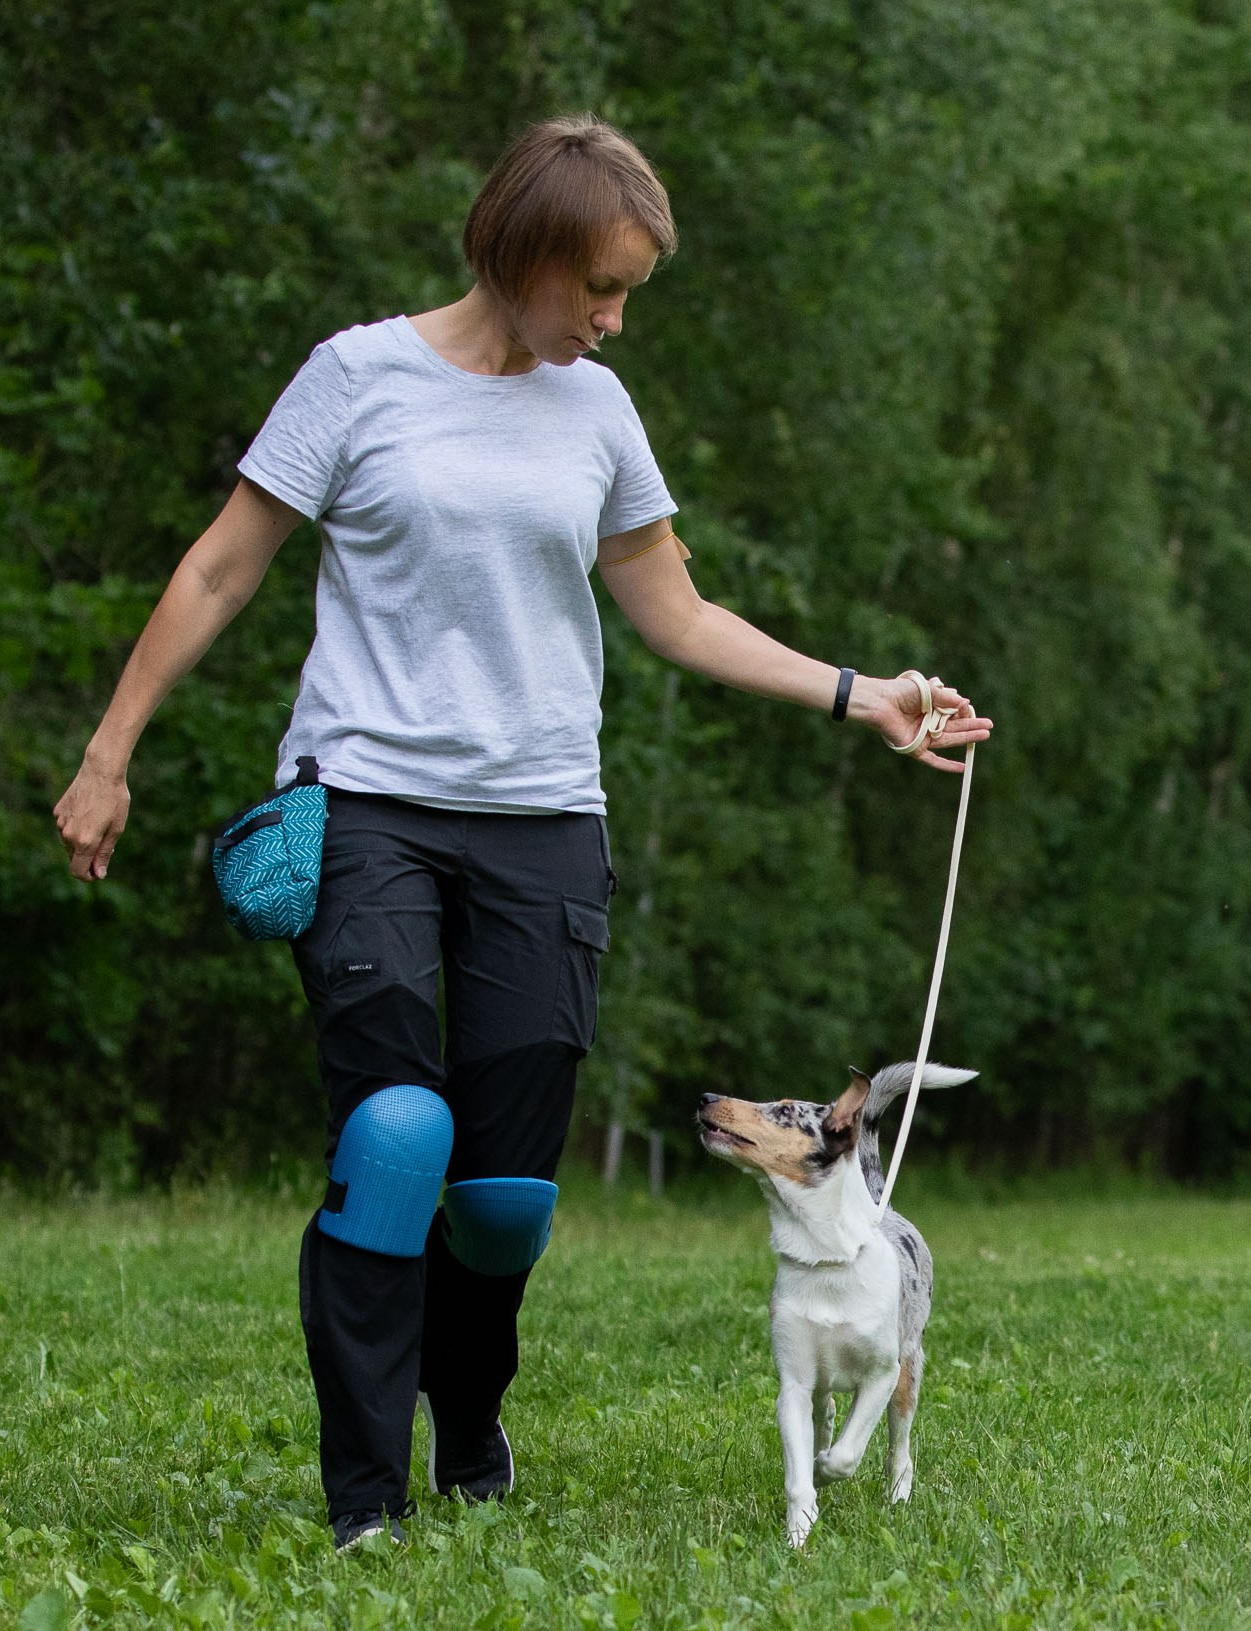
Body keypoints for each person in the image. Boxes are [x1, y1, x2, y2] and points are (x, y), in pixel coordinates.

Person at [50, 113, 991, 1552]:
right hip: (362, 803)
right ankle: (366, 1496)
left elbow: (674, 610)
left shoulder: (597, 412)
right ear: (520, 251)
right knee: (396, 1134)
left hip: (544, 821)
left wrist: (863, 694)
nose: (614, 321)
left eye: (629, 295)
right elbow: (223, 566)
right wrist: (109, 752)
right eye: (599, 288)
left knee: (499, 1197)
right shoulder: (357, 376)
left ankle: (469, 1413)